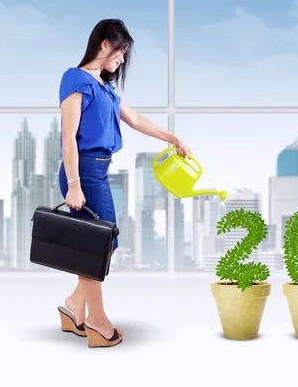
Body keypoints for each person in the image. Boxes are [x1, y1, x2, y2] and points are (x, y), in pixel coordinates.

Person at [55, 19, 191, 348]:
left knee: (102, 244)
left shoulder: (106, 88)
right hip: (83, 171)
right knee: (97, 246)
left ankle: (75, 306)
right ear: (103, 44)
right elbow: (68, 137)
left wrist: (171, 137)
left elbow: (135, 119)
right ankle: (98, 324)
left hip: (98, 171)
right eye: (121, 51)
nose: (122, 59)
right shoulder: (75, 79)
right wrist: (74, 184)